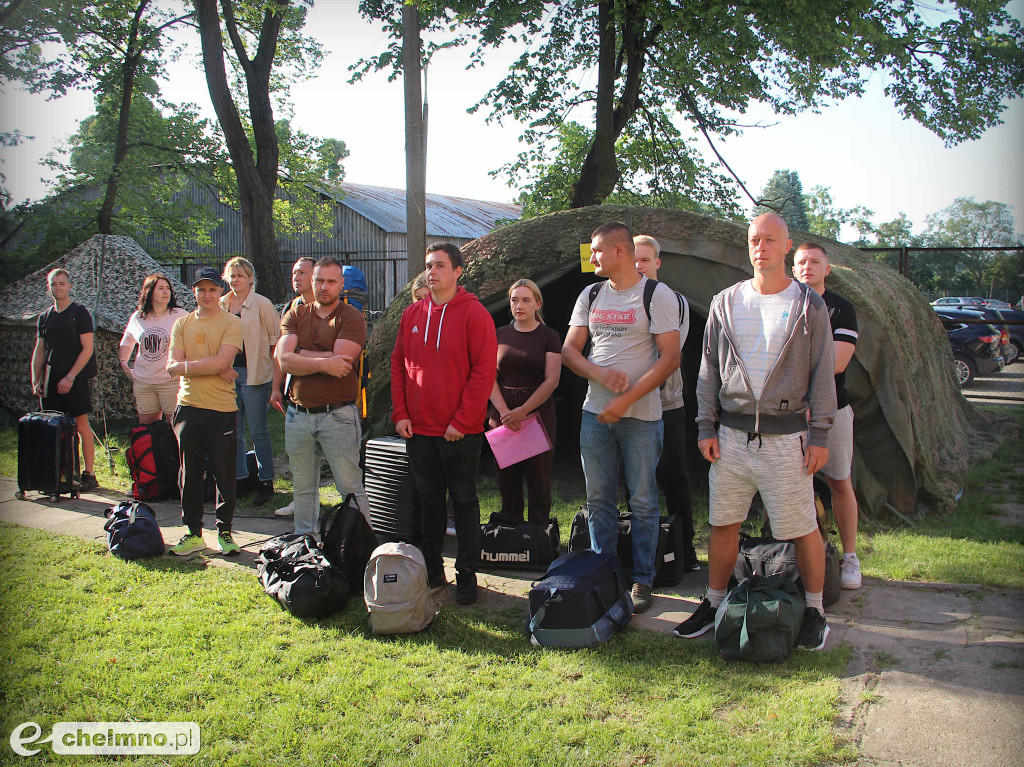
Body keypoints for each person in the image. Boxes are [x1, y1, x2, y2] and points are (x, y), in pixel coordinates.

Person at [674, 212, 837, 650]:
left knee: (803, 527)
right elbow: (707, 371)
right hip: (731, 438)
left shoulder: (808, 305)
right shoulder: (726, 302)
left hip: (788, 441)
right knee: (724, 523)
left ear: (787, 247)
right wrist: (705, 424)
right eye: (753, 239)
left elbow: (824, 374)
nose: (759, 247)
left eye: (769, 239)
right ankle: (713, 602)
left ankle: (816, 610)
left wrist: (820, 434)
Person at [562, 222, 680, 614]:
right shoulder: (591, 293)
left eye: (596, 250)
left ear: (618, 251)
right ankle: (604, 572)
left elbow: (670, 358)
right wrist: (599, 374)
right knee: (599, 499)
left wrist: (627, 397)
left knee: (643, 501)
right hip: (595, 415)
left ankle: (642, 580)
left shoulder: (656, 295)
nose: (590, 257)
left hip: (642, 418)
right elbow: (570, 352)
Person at [391, 243, 497, 605]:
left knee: (464, 500)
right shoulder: (412, 315)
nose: (431, 272)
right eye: (428, 266)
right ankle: (433, 569)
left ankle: (467, 573)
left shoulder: (475, 314)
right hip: (418, 429)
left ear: (457, 272)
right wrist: (401, 413)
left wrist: (464, 421)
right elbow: (398, 366)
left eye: (439, 265)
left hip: (459, 433)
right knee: (428, 502)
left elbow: (483, 372)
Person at [276, 257, 370, 535]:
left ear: (341, 284)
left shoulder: (351, 316)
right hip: (298, 415)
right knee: (303, 487)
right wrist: (323, 362)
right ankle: (305, 545)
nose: (324, 287)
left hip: (337, 415)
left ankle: (360, 544)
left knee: (349, 486)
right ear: (311, 281)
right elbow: (283, 360)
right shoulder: (295, 314)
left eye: (331, 281)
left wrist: (301, 356)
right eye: (319, 280)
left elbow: (342, 363)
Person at [793, 242, 862, 589]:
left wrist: (788, 374)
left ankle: (849, 557)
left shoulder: (841, 309)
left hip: (831, 411)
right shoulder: (781, 304)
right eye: (801, 262)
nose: (807, 267)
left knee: (839, 482)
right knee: (787, 484)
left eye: (814, 261)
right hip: (786, 415)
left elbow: (836, 363)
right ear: (793, 268)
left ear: (827, 268)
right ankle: (786, 552)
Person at [165, 267, 244, 556]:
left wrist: (188, 367)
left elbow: (220, 361)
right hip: (187, 408)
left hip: (221, 409)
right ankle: (193, 532)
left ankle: (225, 531)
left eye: (212, 289)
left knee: (224, 473)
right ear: (194, 292)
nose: (207, 294)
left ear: (221, 291)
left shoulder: (231, 322)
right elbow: (173, 366)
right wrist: (211, 367)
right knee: (190, 472)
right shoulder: (182, 324)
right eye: (201, 289)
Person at [633, 235, 699, 571]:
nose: (638, 266)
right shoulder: (616, 301)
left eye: (644, 260)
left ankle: (684, 548)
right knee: (634, 481)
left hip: (666, 404)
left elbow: (665, 354)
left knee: (674, 477)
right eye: (633, 259)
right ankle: (636, 548)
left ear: (657, 263)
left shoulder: (675, 302)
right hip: (628, 407)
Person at [488, 279, 562, 524]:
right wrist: (503, 411)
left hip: (537, 413)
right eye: (514, 300)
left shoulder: (549, 336)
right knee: (507, 478)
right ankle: (511, 533)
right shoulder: (499, 334)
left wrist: (524, 410)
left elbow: (552, 380)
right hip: (503, 412)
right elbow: (489, 377)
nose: (519, 305)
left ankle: (538, 534)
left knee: (538, 478)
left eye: (526, 300)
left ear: (537, 303)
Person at [30, 268, 99, 491]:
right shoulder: (45, 317)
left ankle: (89, 473)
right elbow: (40, 350)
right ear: (48, 287)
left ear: (70, 286)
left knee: (81, 424)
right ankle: (61, 471)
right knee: (54, 427)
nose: (58, 287)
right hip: (51, 378)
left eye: (62, 283)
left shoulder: (79, 313)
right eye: (54, 284)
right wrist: (36, 379)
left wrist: (70, 376)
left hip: (75, 378)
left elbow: (87, 349)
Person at [221, 256, 280, 506]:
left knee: (258, 430)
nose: (236, 280)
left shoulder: (262, 304)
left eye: (241, 276)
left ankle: (266, 480)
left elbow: (276, 342)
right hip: (228, 374)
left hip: (255, 375)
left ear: (250, 278)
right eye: (232, 276)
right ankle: (241, 478)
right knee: (233, 430)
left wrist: (277, 382)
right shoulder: (222, 304)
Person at [271, 256, 317, 518]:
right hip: (295, 392)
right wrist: (276, 388)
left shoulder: (331, 307)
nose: (296, 278)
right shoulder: (290, 307)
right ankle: (301, 503)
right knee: (299, 454)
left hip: (328, 393)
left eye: (301, 272)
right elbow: (280, 352)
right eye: (293, 273)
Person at [118, 274, 189, 424]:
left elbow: (193, 342)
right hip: (143, 381)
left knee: (175, 425)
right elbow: (128, 339)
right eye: (161, 288)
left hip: (170, 381)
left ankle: (174, 449)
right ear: (149, 293)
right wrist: (123, 361)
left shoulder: (180, 315)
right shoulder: (138, 317)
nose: (166, 292)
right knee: (147, 428)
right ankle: (152, 449)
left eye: (168, 288)